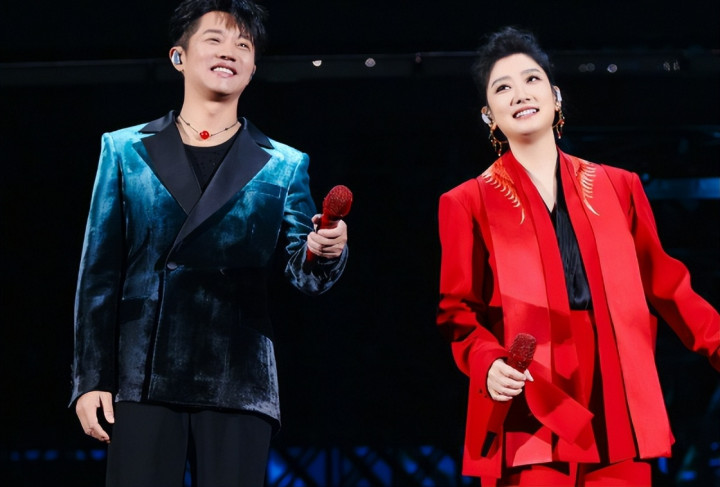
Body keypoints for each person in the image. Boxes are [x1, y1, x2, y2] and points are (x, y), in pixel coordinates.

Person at [70, 1, 348, 485]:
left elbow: (302, 271)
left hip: (238, 375)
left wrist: (324, 251)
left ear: (253, 68)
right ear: (179, 56)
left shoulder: (284, 163)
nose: (229, 52)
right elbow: (98, 273)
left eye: (243, 45)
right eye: (214, 39)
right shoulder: (123, 148)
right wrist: (91, 378)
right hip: (142, 373)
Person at [436, 26, 719, 486]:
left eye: (532, 79)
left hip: (617, 390)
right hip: (532, 397)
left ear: (556, 96)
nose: (520, 94)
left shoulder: (619, 186)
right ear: (489, 116)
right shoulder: (467, 202)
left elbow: (667, 284)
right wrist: (488, 363)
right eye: (502, 88)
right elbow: (457, 312)